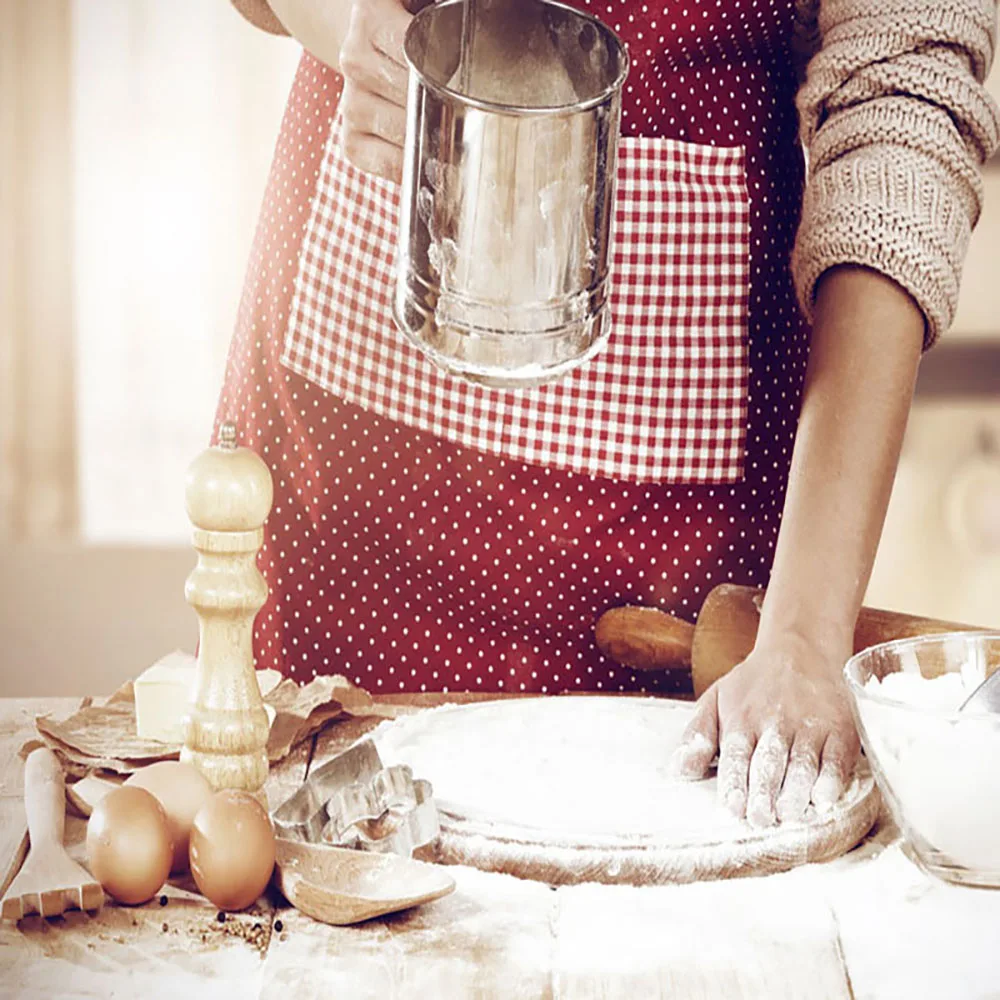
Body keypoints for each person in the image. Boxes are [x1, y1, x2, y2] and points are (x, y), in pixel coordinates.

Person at [222, 0, 999, 827]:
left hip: (667, 541)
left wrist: (802, 638)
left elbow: (901, 101)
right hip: (345, 481)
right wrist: (346, 20)